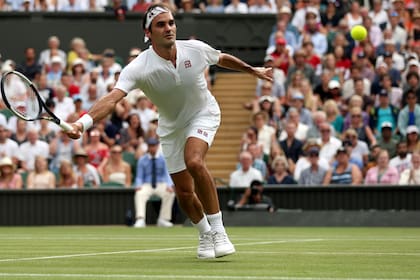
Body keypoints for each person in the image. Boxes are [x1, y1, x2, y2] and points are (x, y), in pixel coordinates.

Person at [65, 3, 273, 259]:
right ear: (148, 33)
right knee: (184, 193)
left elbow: (221, 57)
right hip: (171, 127)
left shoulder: (194, 49)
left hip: (203, 113)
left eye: (171, 23)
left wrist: (252, 70)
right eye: (161, 25)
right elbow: (112, 98)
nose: (169, 28)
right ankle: (205, 234)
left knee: (194, 161)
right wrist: (82, 123)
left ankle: (219, 231)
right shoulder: (139, 67)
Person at [133, 137, 175, 228]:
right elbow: (139, 176)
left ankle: (163, 219)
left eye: (154, 146)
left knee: (170, 193)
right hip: (147, 184)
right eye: (150, 146)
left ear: (157, 146)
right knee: (139, 193)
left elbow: (167, 174)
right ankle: (140, 219)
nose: (152, 148)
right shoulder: (142, 160)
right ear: (148, 147)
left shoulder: (164, 159)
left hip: (161, 183)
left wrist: (169, 185)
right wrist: (138, 185)